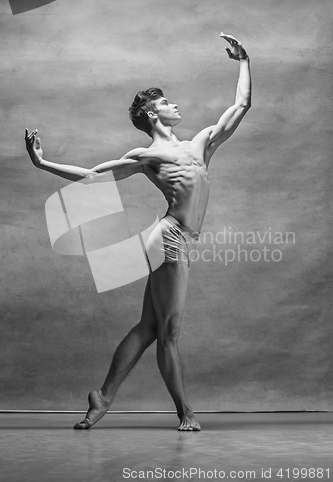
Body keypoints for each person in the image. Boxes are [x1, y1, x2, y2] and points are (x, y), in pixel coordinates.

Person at [25, 32, 251, 431]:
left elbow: (241, 105)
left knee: (148, 327)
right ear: (151, 115)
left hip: (177, 238)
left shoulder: (201, 144)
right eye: (164, 102)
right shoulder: (146, 155)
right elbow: (94, 175)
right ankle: (187, 414)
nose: (173, 104)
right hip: (169, 238)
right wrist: (43, 164)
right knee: (169, 332)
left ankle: (103, 397)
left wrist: (244, 62)